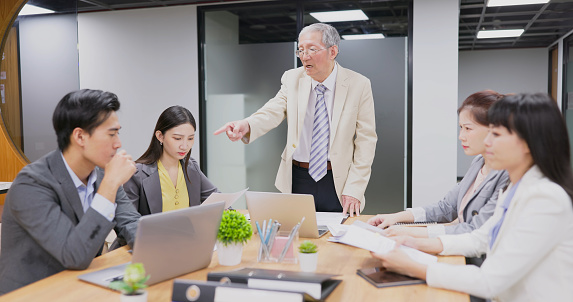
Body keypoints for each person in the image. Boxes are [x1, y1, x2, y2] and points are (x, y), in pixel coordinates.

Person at [372, 93, 573, 301]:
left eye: (495, 134)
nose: (487, 142)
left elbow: (489, 281)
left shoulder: (546, 200)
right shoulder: (514, 187)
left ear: (528, 143)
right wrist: (415, 243)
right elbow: (480, 238)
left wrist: (414, 267)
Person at [214, 23, 377, 216]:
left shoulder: (359, 84)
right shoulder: (292, 78)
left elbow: (366, 140)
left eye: (312, 49)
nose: (304, 56)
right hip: (298, 177)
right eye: (300, 50)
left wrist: (354, 189)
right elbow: (274, 109)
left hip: (338, 179)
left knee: (338, 237)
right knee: (298, 235)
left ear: (332, 51)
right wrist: (247, 124)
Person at [0, 89, 141, 294]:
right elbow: (74, 255)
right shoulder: (31, 184)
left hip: (81, 284)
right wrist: (110, 185)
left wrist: (155, 249)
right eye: (111, 134)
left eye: (118, 133)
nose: (118, 143)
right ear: (80, 136)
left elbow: (130, 222)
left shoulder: (101, 174)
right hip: (32, 293)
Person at [367, 90, 509, 238]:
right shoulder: (479, 162)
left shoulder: (507, 174)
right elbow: (446, 207)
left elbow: (475, 229)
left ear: (493, 129)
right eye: (461, 128)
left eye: (468, 128)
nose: (461, 136)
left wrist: (412, 232)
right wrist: (396, 217)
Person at [124, 105, 218, 215]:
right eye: (177, 138)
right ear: (160, 136)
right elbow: (127, 220)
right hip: (153, 232)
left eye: (190, 138)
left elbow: (218, 200)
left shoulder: (192, 167)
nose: (185, 146)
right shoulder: (137, 173)